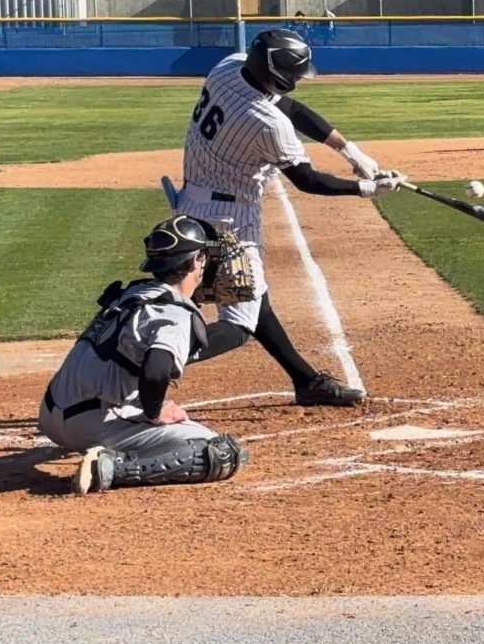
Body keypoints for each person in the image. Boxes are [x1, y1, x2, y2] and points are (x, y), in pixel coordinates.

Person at [173, 28, 406, 407]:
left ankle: (306, 381)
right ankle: (142, 365)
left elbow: (292, 109)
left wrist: (350, 151)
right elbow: (308, 180)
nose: (298, 80)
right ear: (275, 72)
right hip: (228, 222)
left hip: (193, 203)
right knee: (238, 325)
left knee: (254, 297)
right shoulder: (266, 124)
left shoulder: (228, 67)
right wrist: (366, 189)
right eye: (294, 73)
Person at [39, 215, 249, 494]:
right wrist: (154, 412)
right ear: (194, 261)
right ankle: (112, 467)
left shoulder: (133, 292)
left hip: (51, 411)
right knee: (221, 452)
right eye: (204, 257)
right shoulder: (174, 313)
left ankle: (112, 440)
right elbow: (156, 369)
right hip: (90, 424)